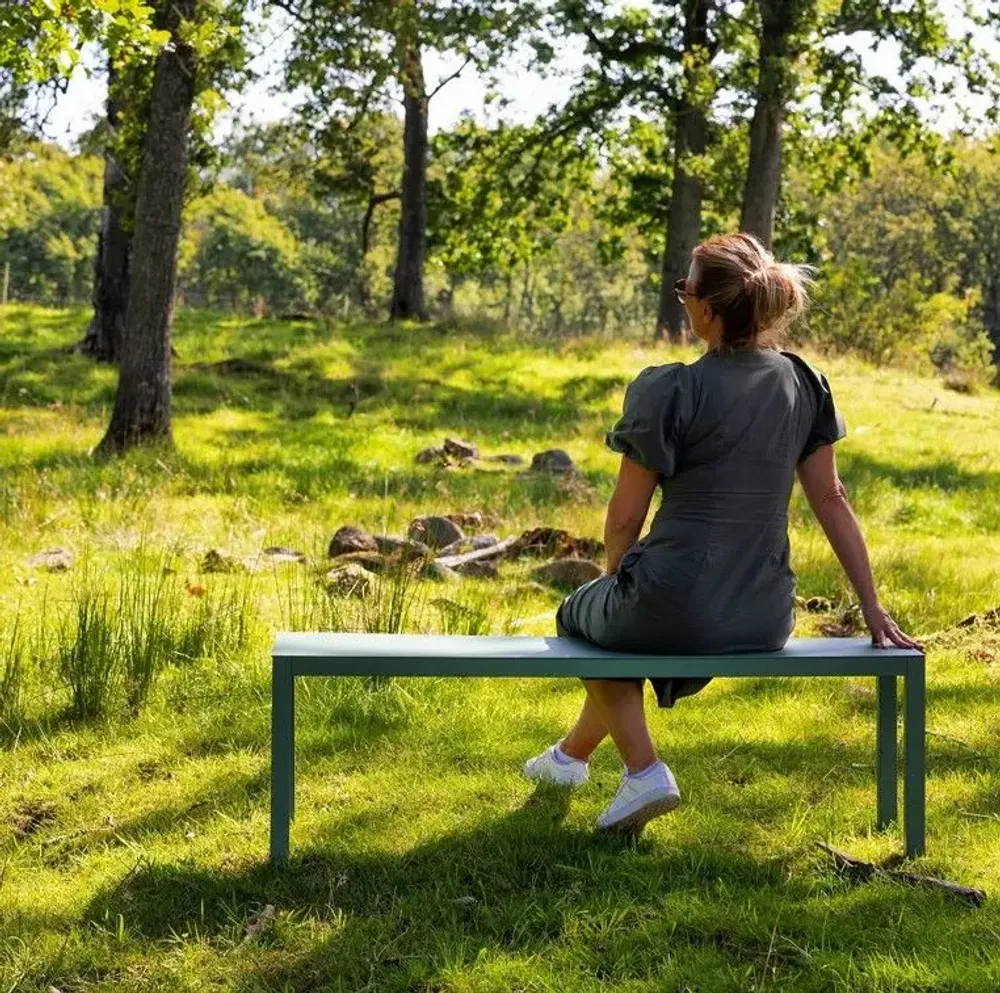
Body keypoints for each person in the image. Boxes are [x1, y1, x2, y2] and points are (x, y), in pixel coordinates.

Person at [522, 232, 922, 835]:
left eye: (685, 290)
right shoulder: (802, 382)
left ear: (707, 309)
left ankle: (643, 772)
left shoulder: (670, 389)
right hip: (764, 615)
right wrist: (873, 609)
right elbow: (832, 499)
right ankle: (569, 759)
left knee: (585, 620)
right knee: (618, 627)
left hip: (670, 597)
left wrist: (618, 580)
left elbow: (626, 517)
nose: (682, 300)